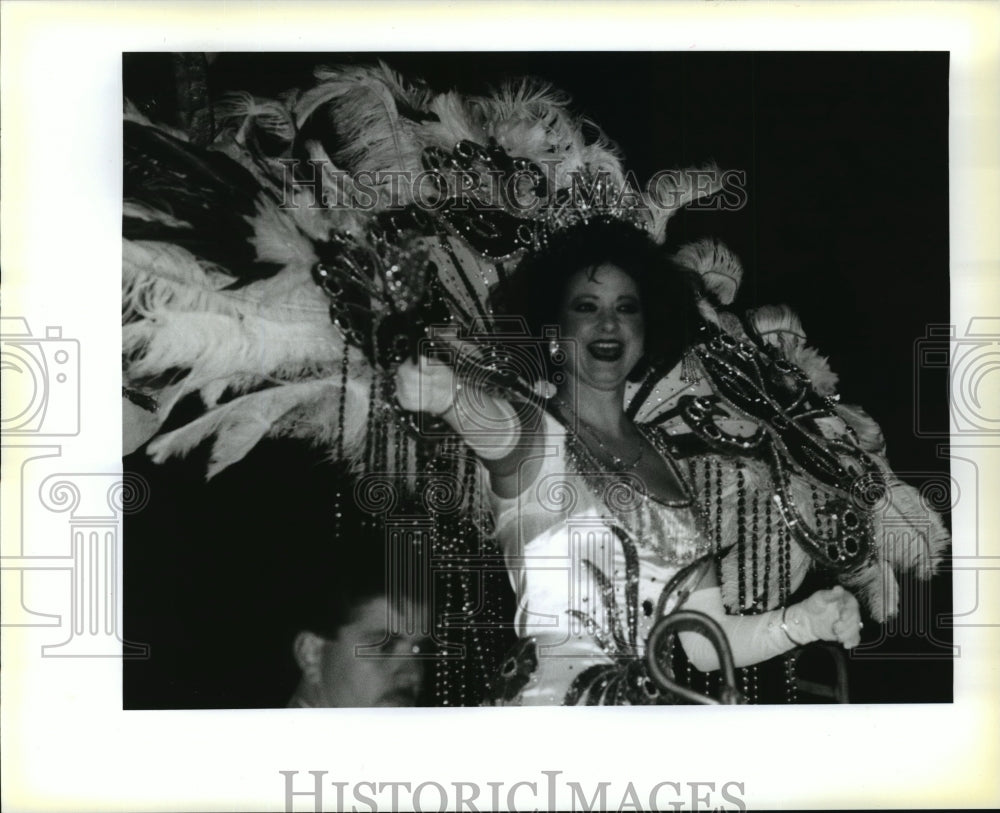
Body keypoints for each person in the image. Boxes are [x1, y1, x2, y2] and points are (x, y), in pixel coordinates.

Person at [394, 219, 863, 705]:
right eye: (586, 307)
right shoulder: (533, 430)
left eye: (626, 308)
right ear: (555, 333)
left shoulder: (667, 464)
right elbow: (489, 423)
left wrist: (803, 621)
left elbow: (705, 646)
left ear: (645, 329)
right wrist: (444, 394)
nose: (609, 324)